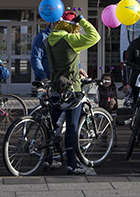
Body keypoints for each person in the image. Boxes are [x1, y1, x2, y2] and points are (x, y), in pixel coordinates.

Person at [45, 10, 100, 175]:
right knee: (72, 127)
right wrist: (82, 20)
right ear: (72, 27)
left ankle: (47, 159)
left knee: (52, 127)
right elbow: (94, 36)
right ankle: (71, 164)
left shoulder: (49, 39)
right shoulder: (70, 39)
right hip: (71, 89)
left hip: (55, 88)